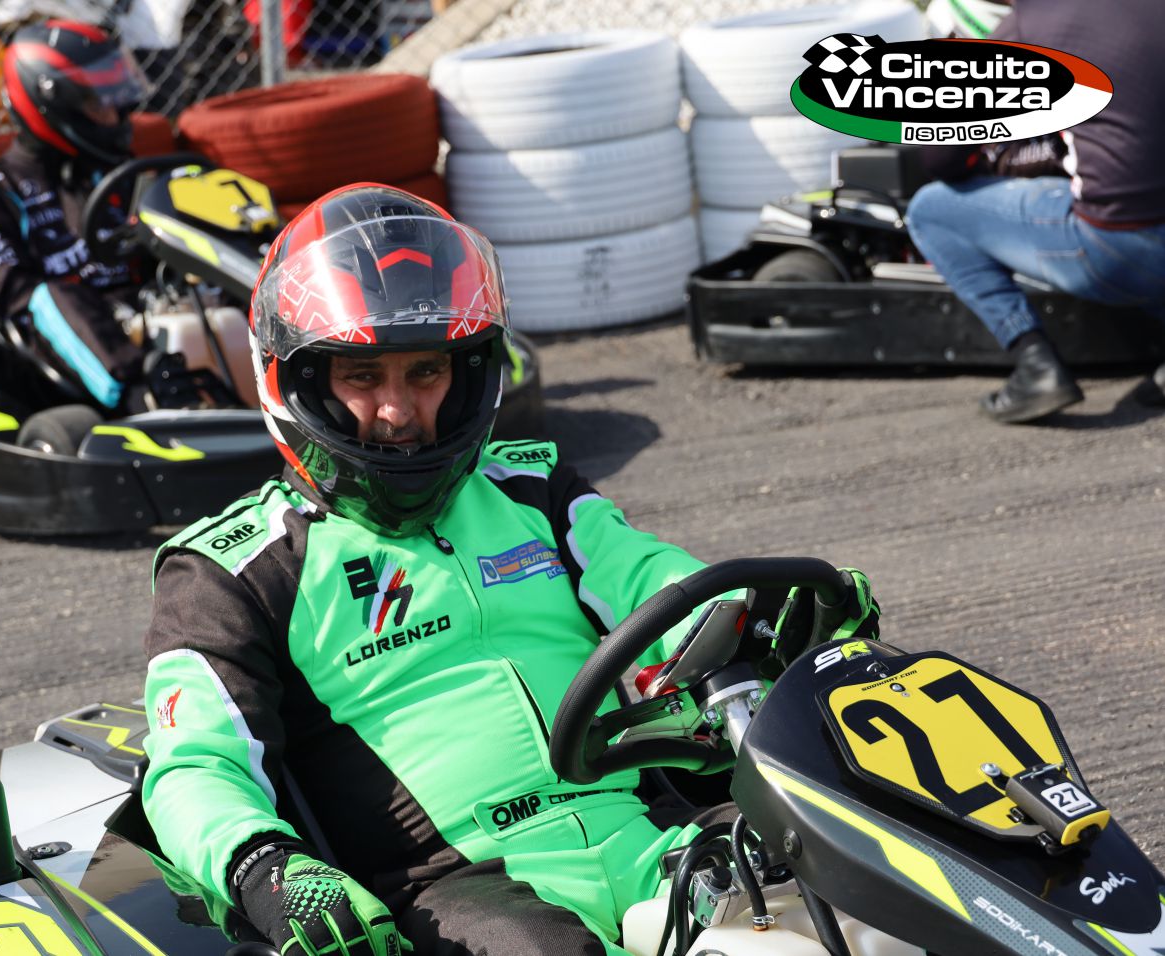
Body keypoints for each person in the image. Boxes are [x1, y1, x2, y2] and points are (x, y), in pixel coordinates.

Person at [140, 184, 880, 955]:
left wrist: (767, 614)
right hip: (455, 892)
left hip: (648, 838)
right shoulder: (232, 570)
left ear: (466, 373)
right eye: (362, 378)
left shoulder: (530, 489)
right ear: (298, 382)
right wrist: (265, 869)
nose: (397, 412)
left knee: (865, 890)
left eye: (424, 372)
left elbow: (653, 580)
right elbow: (194, 765)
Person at [905, 0, 1165, 424]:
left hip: (1118, 248)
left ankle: (1034, 363)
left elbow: (940, 157)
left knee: (930, 209)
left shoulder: (1034, 22)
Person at [0, 20, 199, 414]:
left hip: (151, 320)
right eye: (99, 105)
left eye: (116, 102)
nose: (116, 116)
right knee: (48, 296)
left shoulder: (119, 174)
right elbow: (14, 292)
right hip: (66, 356)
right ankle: (145, 402)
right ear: (52, 104)